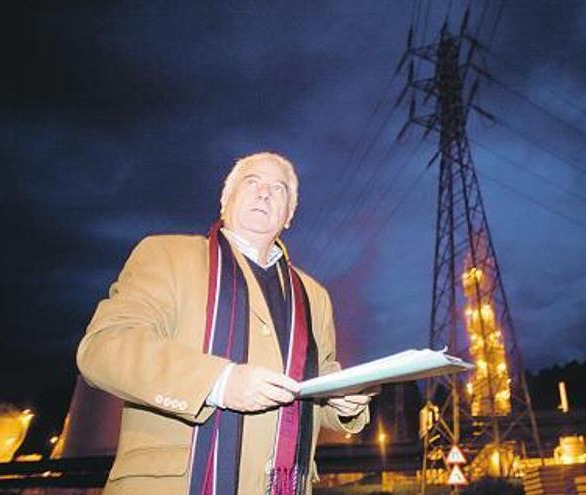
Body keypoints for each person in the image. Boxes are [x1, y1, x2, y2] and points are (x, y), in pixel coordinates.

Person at [77, 152, 371, 495]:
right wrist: (219, 381)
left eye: (279, 189)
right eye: (252, 182)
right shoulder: (166, 255)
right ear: (224, 199)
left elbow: (316, 387)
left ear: (289, 215)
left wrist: (341, 404)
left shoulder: (314, 296)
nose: (264, 193)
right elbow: (104, 348)